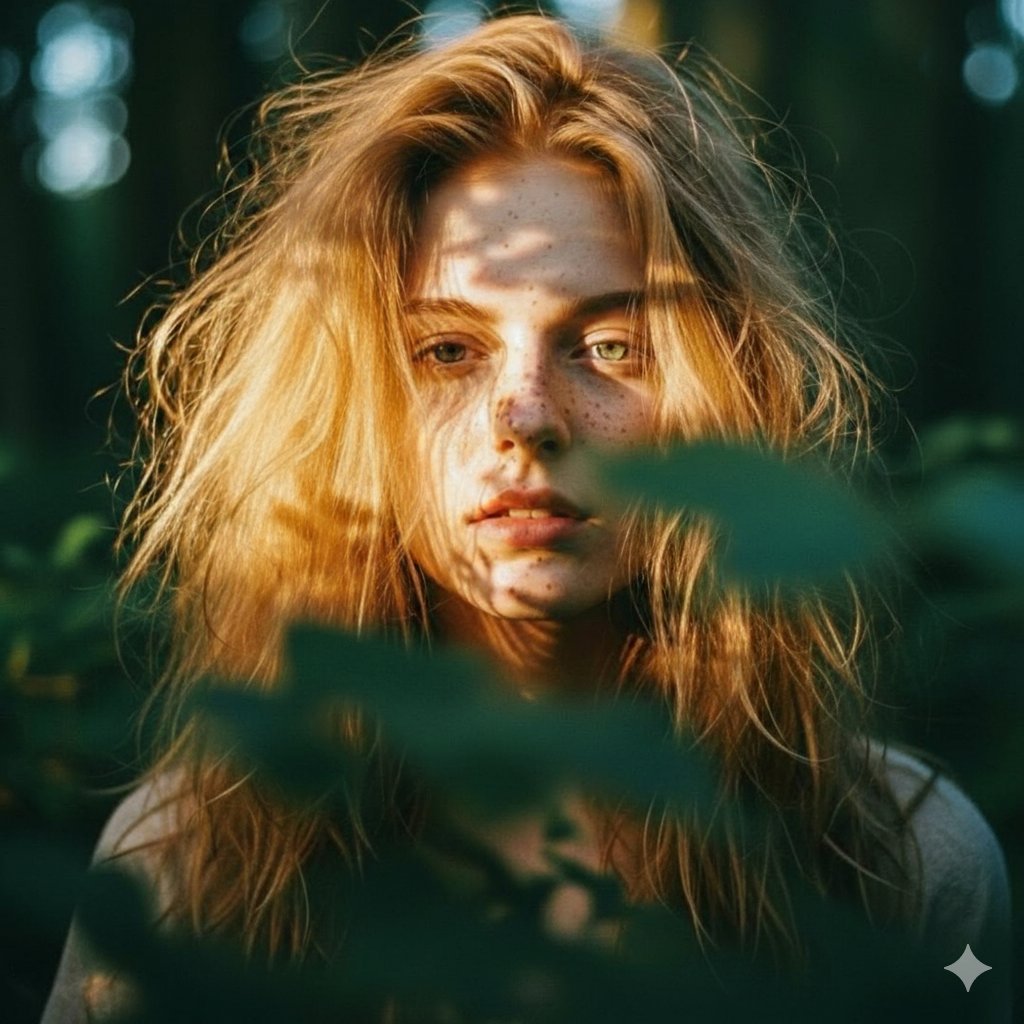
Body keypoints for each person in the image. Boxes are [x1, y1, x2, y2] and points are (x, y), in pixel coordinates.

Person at [42, 12, 1010, 1022]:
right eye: (446, 351)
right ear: (348, 408)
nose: (527, 416)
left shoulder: (900, 863)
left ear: (729, 391)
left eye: (609, 344)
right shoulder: (193, 872)